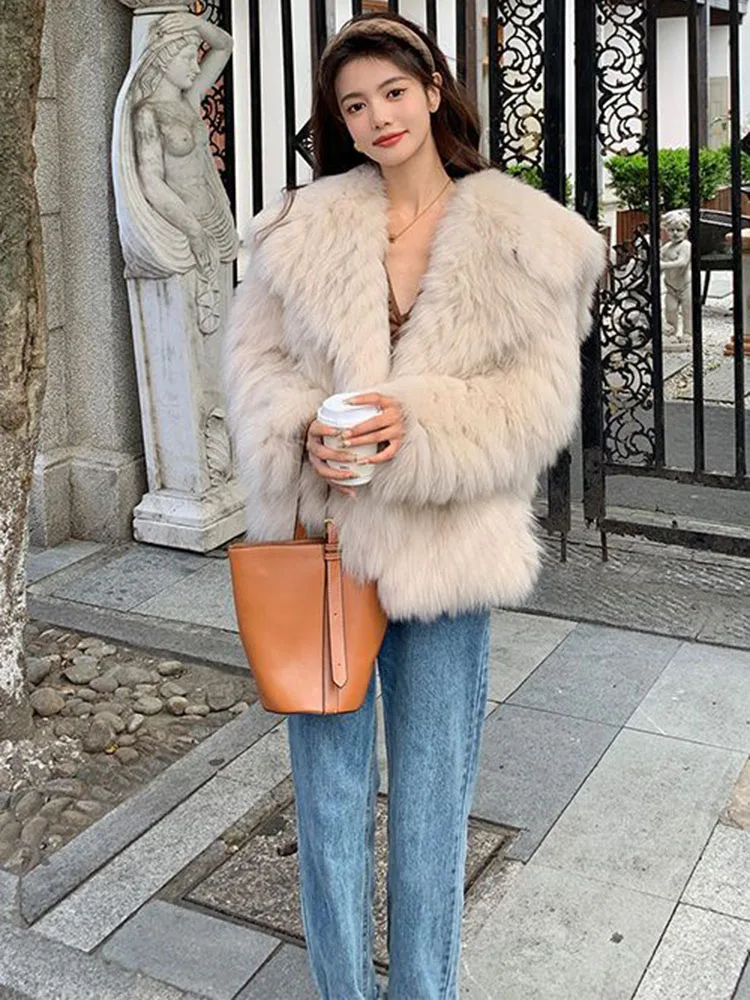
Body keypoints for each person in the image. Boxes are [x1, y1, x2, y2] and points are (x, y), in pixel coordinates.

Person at [223, 12, 605, 999]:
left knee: (433, 804)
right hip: (327, 549)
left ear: (434, 90)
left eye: (393, 92)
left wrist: (419, 427)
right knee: (329, 802)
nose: (378, 116)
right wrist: (300, 432)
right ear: (340, 122)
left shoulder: (526, 237)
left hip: (447, 555)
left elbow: (538, 408)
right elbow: (256, 372)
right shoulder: (296, 231)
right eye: (355, 105)